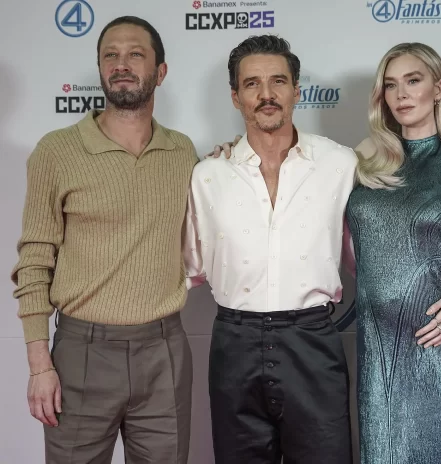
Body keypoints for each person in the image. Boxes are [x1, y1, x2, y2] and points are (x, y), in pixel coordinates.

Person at [10, 16, 198, 463]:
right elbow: (34, 260)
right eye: (110, 55)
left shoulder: (184, 152)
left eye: (135, 54)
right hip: (82, 352)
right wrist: (39, 364)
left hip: (165, 350)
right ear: (100, 68)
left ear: (161, 71)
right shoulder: (57, 151)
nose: (121, 64)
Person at [183, 35, 355, 463]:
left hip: (312, 343)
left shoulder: (341, 164)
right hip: (234, 345)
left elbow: (373, 252)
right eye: (252, 84)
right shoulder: (207, 175)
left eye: (278, 81)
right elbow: (189, 267)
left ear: (297, 90)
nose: (266, 94)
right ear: (235, 97)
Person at [344, 42, 441, 464]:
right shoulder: (363, 158)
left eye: (413, 81)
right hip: (377, 349)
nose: (402, 94)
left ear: (439, 88)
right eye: (391, 85)